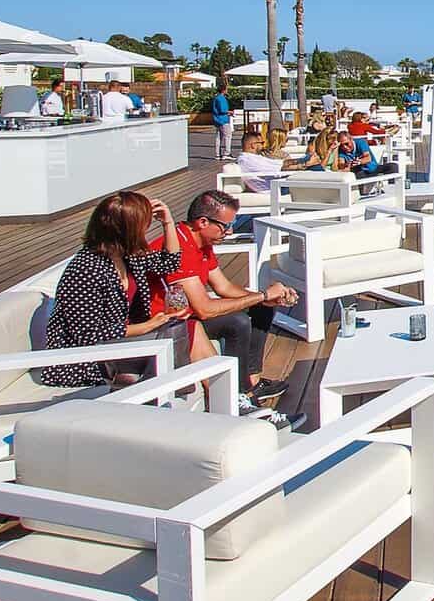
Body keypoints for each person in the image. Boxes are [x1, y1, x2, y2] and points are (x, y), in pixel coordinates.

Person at [157, 190, 300, 427]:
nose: (230, 231)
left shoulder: (202, 243)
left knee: (261, 309)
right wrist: (263, 294)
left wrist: (264, 299)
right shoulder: (179, 247)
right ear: (203, 222)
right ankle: (239, 394)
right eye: (225, 226)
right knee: (238, 322)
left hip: (189, 314)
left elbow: (223, 286)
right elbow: (203, 310)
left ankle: (252, 385)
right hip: (172, 322)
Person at [40, 192, 189, 387]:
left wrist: (168, 223)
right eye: (145, 223)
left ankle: (169, 390)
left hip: (116, 345)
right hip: (84, 359)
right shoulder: (85, 270)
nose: (147, 227)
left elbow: (169, 262)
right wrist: (146, 326)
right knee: (169, 335)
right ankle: (170, 391)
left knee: (176, 327)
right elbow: (87, 334)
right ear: (128, 230)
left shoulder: (127, 257)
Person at [210, 82, 233, 158]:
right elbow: (222, 110)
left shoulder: (216, 98)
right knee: (228, 136)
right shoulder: (221, 98)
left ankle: (217, 154)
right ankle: (227, 153)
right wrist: (230, 112)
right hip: (223, 120)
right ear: (223, 90)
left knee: (218, 137)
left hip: (217, 120)